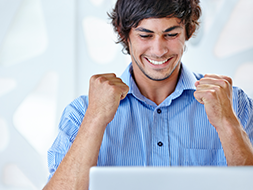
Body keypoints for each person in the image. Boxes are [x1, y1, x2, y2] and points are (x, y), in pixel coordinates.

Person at [43, 0, 253, 189]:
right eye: (145, 35)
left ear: (188, 31)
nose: (159, 50)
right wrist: (95, 118)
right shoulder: (81, 112)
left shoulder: (235, 104)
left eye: (171, 34)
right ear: (123, 34)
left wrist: (227, 123)